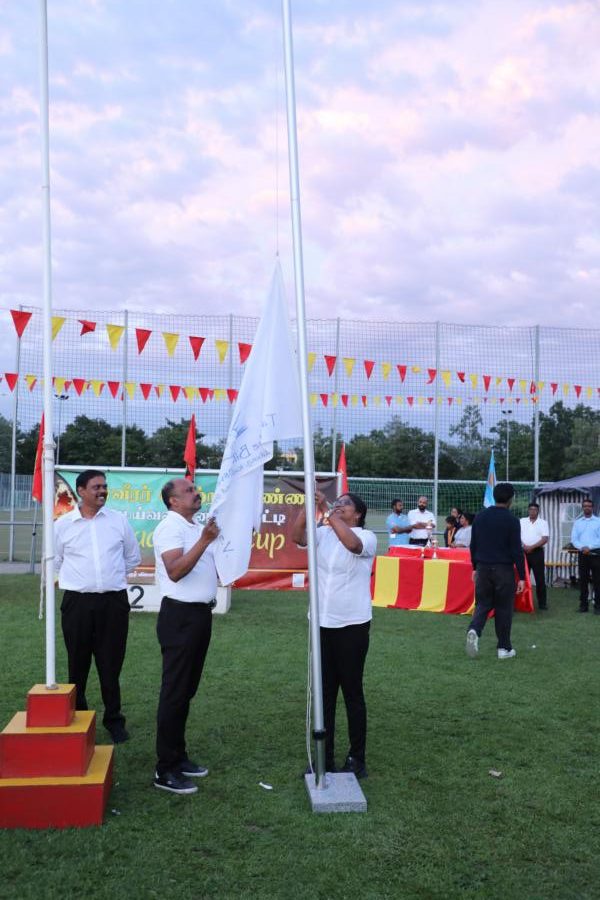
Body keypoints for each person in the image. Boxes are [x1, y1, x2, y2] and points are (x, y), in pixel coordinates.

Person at [292, 490, 377, 779]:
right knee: (324, 693)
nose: (339, 506)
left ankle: (356, 758)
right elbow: (298, 537)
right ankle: (323, 756)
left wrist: (327, 510)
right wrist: (308, 506)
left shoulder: (366, 537)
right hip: (321, 623)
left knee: (352, 692)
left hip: (352, 625)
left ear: (358, 514)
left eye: (345, 504)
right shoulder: (323, 533)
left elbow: (352, 545)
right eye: (336, 502)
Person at [54, 469, 141, 743]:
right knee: (77, 662)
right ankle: (79, 717)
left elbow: (132, 557)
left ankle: (114, 720)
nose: (102, 491)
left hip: (113, 602)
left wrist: (108, 579)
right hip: (77, 603)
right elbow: (56, 561)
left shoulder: (118, 521)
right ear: (81, 491)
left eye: (104, 486)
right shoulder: (63, 525)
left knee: (111, 663)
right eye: (96, 487)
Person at [152, 478, 220, 795]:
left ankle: (178, 756)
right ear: (173, 501)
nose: (196, 493)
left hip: (198, 616)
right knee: (174, 692)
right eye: (189, 491)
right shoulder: (170, 527)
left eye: (195, 489)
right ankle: (164, 769)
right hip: (180, 617)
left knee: (185, 691)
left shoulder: (193, 527)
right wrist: (205, 541)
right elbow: (176, 571)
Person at [465, 482, 525, 660]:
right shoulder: (512, 520)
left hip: (483, 568)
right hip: (503, 569)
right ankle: (504, 648)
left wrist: (474, 567)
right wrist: (522, 576)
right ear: (510, 499)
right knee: (504, 608)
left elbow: (473, 545)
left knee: (483, 604)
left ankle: (474, 629)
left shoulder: (480, 517)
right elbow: (516, 550)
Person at [570, 497, 600, 614]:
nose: (587, 508)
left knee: (598, 581)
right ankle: (583, 606)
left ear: (592, 508)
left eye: (589, 506)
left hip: (596, 554)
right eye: (585, 506)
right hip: (583, 554)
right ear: (582, 508)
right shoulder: (577, 523)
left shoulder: (598, 521)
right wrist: (582, 547)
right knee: (583, 581)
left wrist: (589, 547)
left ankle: (598, 607)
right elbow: (574, 539)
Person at [520, 502, 550, 611]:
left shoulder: (543, 523)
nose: (532, 511)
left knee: (539, 578)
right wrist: (524, 546)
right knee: (522, 577)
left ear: (538, 511)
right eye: (531, 509)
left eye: (535, 510)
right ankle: (522, 602)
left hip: (537, 553)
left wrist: (532, 547)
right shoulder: (522, 521)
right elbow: (517, 535)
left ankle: (542, 603)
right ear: (528, 510)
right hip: (523, 552)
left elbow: (545, 538)